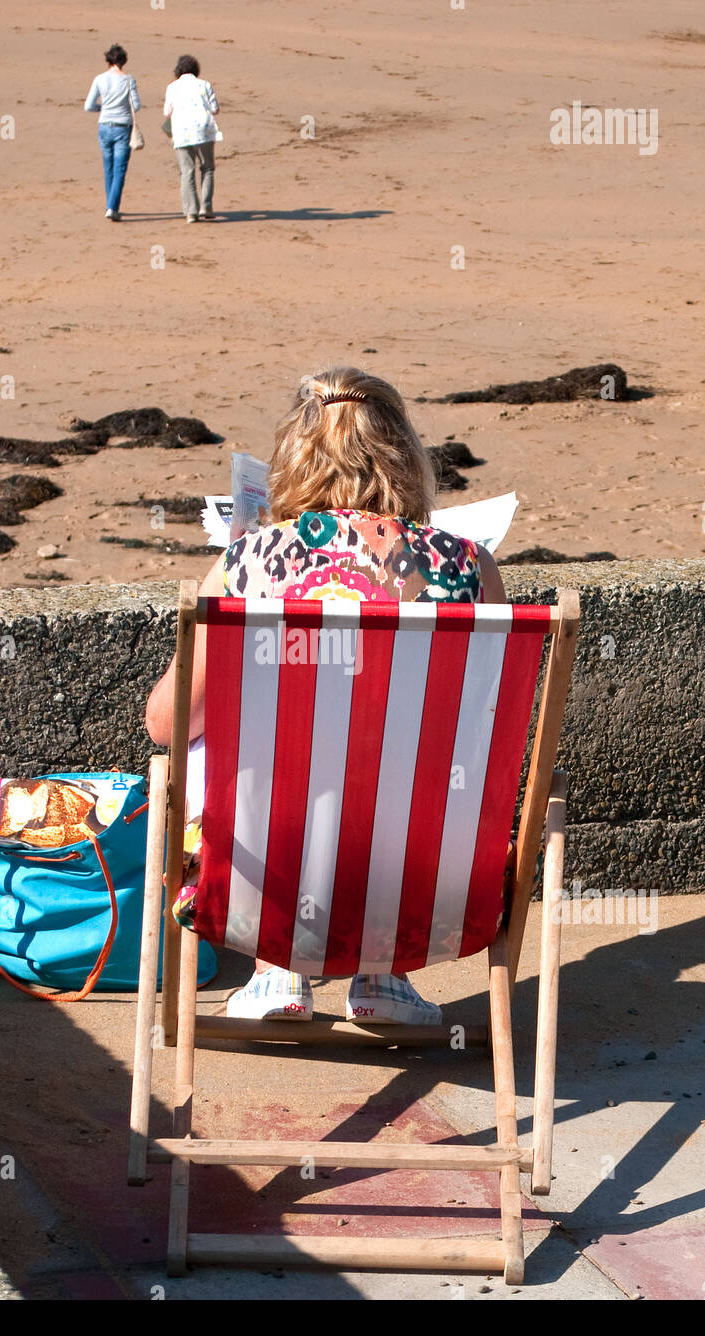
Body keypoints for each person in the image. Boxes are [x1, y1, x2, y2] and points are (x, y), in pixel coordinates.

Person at [145, 366, 509, 1025]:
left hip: (274, 841)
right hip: (424, 863)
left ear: (289, 462)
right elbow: (492, 718)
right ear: (405, 460)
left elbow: (167, 725)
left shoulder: (246, 564)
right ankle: (384, 971)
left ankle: (275, 964)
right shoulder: (470, 567)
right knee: (423, 753)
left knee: (219, 742)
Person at [84, 43, 140, 222]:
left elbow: (88, 106)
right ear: (123, 61)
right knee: (120, 169)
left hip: (104, 126)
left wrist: (102, 108)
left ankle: (110, 204)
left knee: (108, 167)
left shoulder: (100, 79)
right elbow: (136, 106)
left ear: (109, 60)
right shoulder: (129, 80)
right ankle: (112, 207)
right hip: (123, 127)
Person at [162, 54, 220, 223]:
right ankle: (206, 207)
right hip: (204, 131)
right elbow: (215, 109)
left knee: (187, 172)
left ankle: (191, 212)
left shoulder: (172, 87)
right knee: (207, 169)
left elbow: (167, 113)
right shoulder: (205, 85)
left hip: (181, 132)